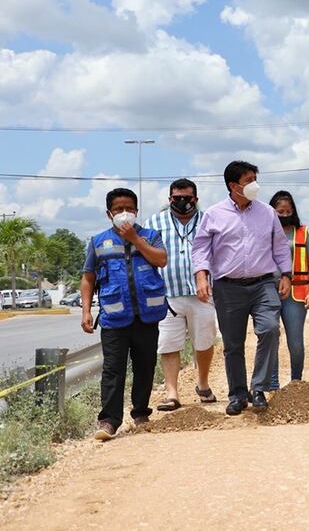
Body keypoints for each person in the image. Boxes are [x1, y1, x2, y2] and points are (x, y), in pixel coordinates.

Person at [191, 161, 292, 416]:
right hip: (228, 287)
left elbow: (280, 245)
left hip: (263, 284)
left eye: (255, 178)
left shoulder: (267, 212)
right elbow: (200, 248)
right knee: (233, 344)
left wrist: (287, 274)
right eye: (249, 180)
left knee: (270, 330)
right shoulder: (213, 214)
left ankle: (258, 388)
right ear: (233, 186)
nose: (254, 185)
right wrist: (201, 277)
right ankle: (237, 395)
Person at [80, 188, 169, 440]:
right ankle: (109, 420)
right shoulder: (98, 242)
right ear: (109, 213)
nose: (124, 213)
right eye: (118, 209)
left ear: (137, 211)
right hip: (114, 318)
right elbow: (88, 278)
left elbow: (161, 260)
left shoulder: (151, 236)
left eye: (129, 208)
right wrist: (86, 311)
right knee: (113, 369)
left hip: (147, 317)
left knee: (145, 367)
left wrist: (135, 239)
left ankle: (141, 413)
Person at [145, 179, 218, 411]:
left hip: (203, 293)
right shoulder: (154, 222)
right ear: (169, 200)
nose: (183, 202)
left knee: (205, 342)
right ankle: (172, 393)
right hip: (168, 293)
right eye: (177, 198)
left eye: (188, 198)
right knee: (168, 344)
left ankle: (203, 384)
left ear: (196, 199)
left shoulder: (209, 220)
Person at [267, 190, 309, 387]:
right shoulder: (264, 232)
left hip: (296, 294)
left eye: (288, 211)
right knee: (270, 339)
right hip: (268, 291)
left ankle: (296, 383)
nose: (285, 215)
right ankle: (272, 386)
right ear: (272, 211)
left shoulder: (302, 232)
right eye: (280, 211)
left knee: (295, 343)